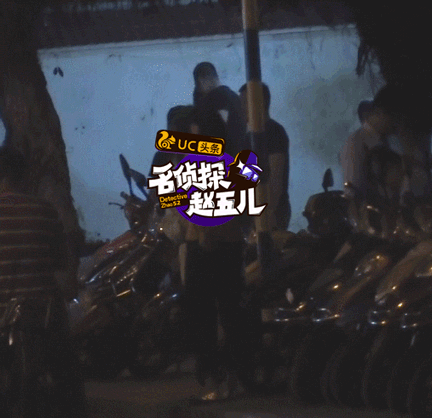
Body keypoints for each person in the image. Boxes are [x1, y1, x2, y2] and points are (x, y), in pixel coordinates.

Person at [183, 64, 256, 401]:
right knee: (231, 311)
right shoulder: (240, 155)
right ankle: (236, 374)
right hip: (232, 243)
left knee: (205, 314)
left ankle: (217, 377)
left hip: (208, 246)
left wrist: (203, 235)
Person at [0, 146, 88, 417]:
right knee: (68, 377)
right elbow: (61, 263)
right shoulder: (44, 210)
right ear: (24, 176)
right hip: (43, 314)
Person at [239, 82, 291, 230]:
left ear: (258, 103)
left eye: (245, 102)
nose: (241, 108)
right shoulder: (248, 137)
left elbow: (275, 177)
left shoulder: (274, 132)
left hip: (270, 215)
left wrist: (268, 212)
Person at [340, 85, 403, 203]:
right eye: (395, 118)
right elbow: (353, 194)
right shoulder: (356, 144)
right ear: (381, 113)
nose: (397, 125)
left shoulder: (390, 141)